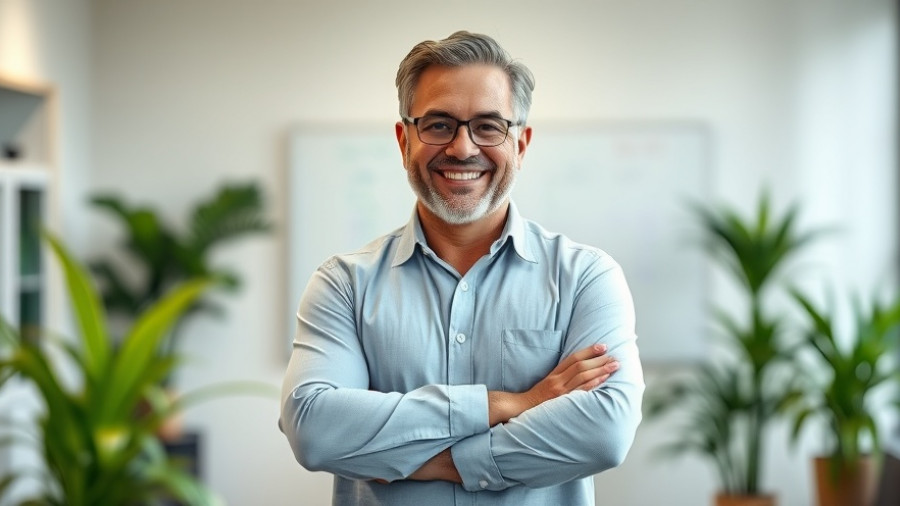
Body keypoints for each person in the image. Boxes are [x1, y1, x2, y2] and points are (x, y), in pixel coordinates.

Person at [280, 30, 644, 506]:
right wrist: (512, 404)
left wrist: (443, 463)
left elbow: (603, 433)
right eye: (438, 124)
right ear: (403, 138)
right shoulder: (343, 285)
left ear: (521, 143)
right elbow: (313, 428)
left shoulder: (586, 279)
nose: (462, 148)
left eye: (489, 126)